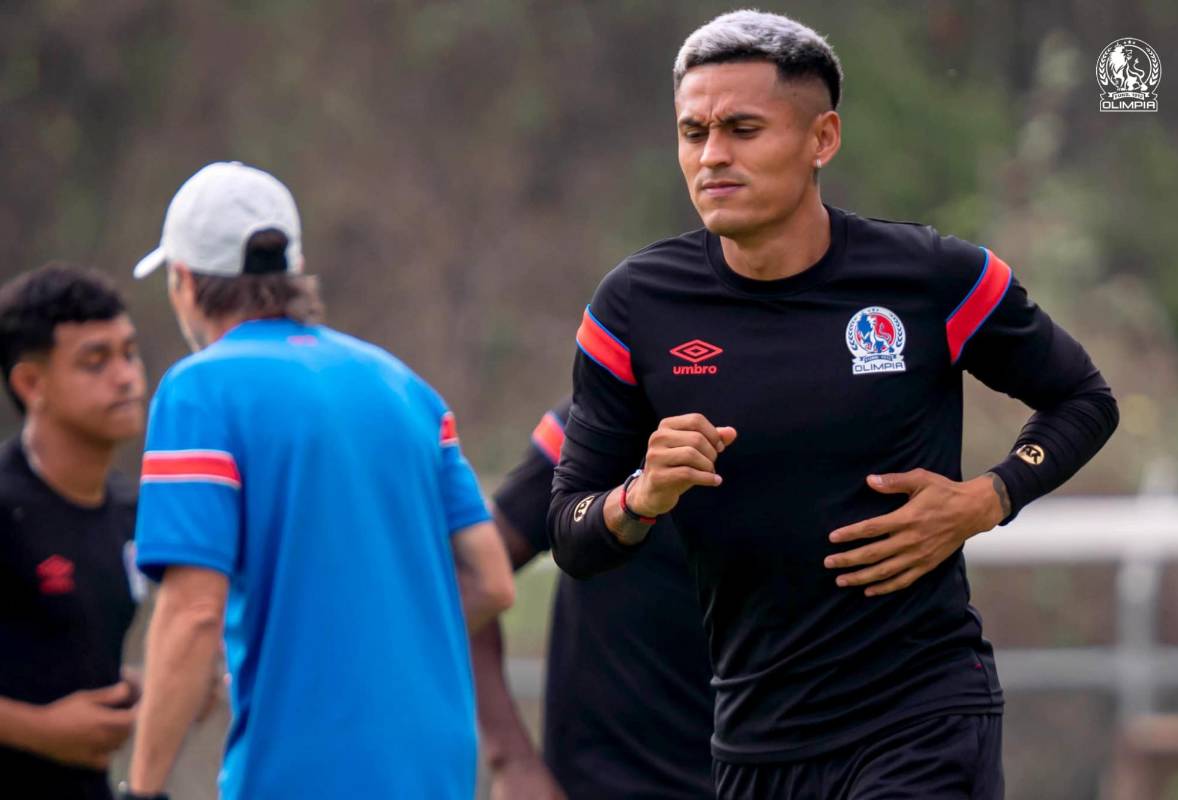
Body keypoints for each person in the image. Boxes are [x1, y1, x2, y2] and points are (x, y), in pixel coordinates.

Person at [548, 11, 1119, 800]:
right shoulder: (634, 309)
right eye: (694, 131)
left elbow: (1083, 399)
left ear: (823, 139)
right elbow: (573, 535)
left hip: (921, 714)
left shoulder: (933, 279)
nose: (713, 155)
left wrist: (988, 497)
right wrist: (640, 498)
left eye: (744, 128)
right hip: (753, 738)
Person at [120, 161, 514, 800]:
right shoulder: (404, 386)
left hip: (302, 772)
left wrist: (142, 789)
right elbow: (493, 582)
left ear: (185, 282)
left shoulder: (200, 390)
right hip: (438, 768)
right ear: (290, 271)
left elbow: (192, 612)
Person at [473, 397, 714, 800]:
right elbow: (469, 580)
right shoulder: (601, 422)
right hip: (603, 781)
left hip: (778, 774)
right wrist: (512, 761)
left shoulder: (826, 426)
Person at [0, 264, 146, 799]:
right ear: (31, 383)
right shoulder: (6, 507)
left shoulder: (133, 509)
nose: (126, 377)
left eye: (129, 353)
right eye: (95, 361)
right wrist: (37, 729)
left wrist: (139, 689)